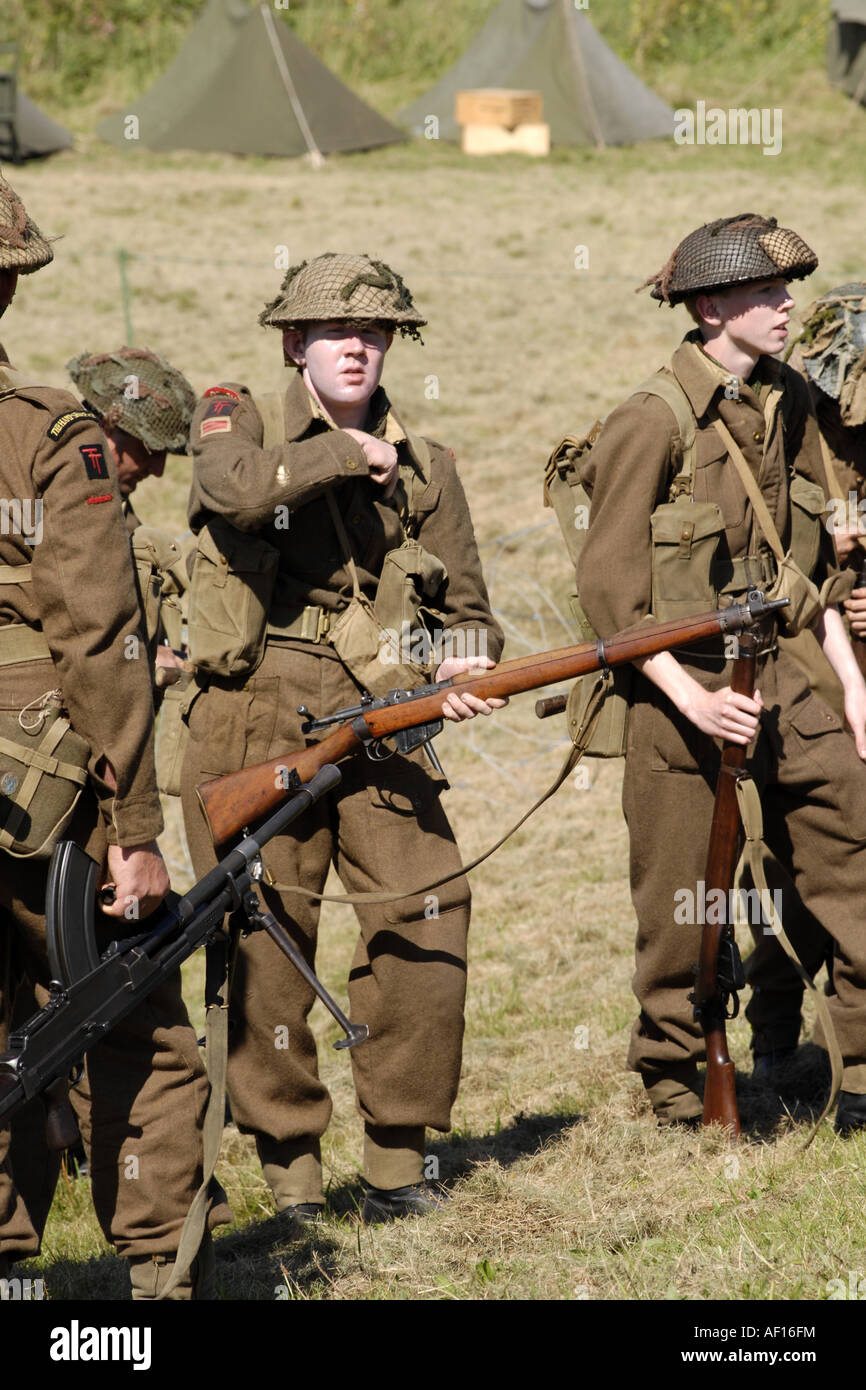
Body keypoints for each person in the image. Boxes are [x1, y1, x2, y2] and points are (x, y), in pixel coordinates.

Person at [180, 253, 504, 1222]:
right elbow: (236, 492)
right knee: (270, 936)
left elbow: (474, 614)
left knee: (429, 904)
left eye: (375, 332)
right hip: (256, 706)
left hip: (384, 705)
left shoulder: (428, 466)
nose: (358, 346)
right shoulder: (234, 415)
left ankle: (399, 1159)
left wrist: (463, 662)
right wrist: (342, 454)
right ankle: (291, 1173)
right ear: (294, 343)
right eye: (334, 332)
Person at [576, 213, 866, 1132]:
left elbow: (810, 564)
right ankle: (678, 1081)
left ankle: (857, 1071)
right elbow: (611, 598)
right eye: (766, 294)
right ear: (710, 307)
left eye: (787, 291)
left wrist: (855, 687)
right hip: (680, 688)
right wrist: (694, 700)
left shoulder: (788, 405)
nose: (787, 307)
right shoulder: (649, 422)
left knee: (851, 847)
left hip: (784, 671)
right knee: (683, 907)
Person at [0, 175, 218, 1298]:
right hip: (41, 798)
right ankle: (154, 1284)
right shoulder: (49, 436)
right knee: (135, 1023)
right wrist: (133, 827)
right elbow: (97, 638)